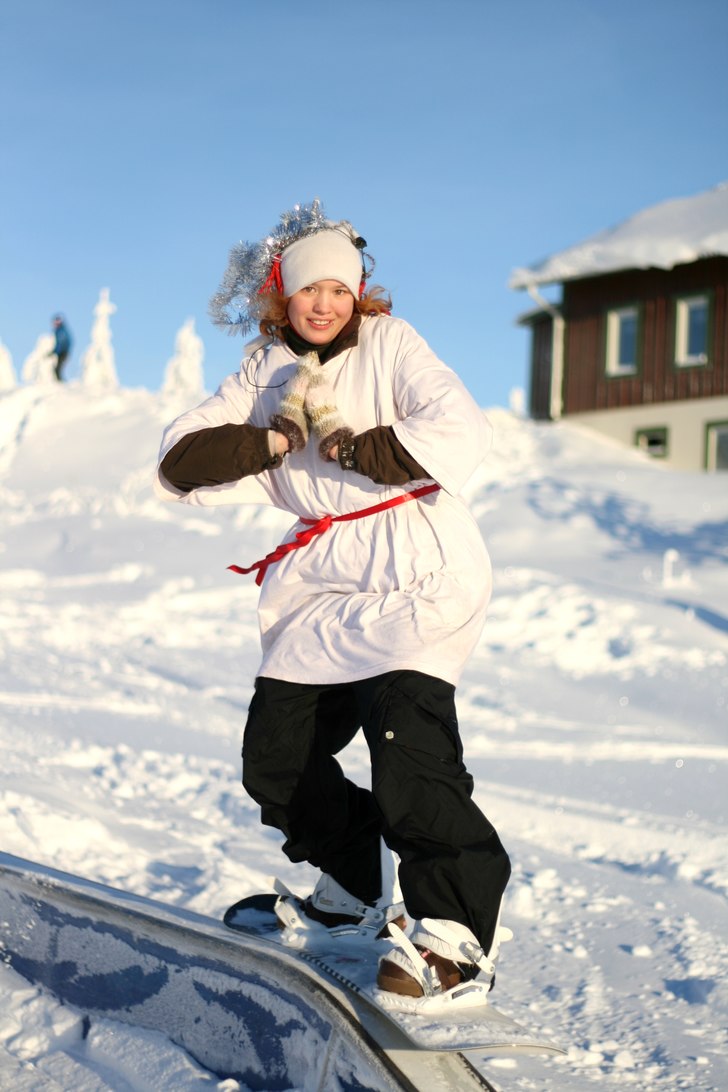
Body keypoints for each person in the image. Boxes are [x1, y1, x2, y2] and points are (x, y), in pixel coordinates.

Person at [155, 200, 511, 1007]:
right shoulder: (261, 370)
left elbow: (460, 429)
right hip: (321, 576)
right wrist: (268, 441)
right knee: (276, 762)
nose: (325, 304)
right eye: (309, 290)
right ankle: (350, 893)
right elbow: (178, 462)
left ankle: (454, 939)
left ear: (359, 299)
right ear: (282, 293)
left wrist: (360, 446)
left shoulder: (391, 343)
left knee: (405, 744)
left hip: (414, 560)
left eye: (341, 292)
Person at [50, 314, 72, 381]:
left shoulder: (61, 331)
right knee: (57, 369)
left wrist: (55, 351)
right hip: (62, 352)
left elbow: (60, 343)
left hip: (63, 352)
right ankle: (60, 382)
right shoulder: (59, 331)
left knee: (57, 369)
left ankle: (61, 383)